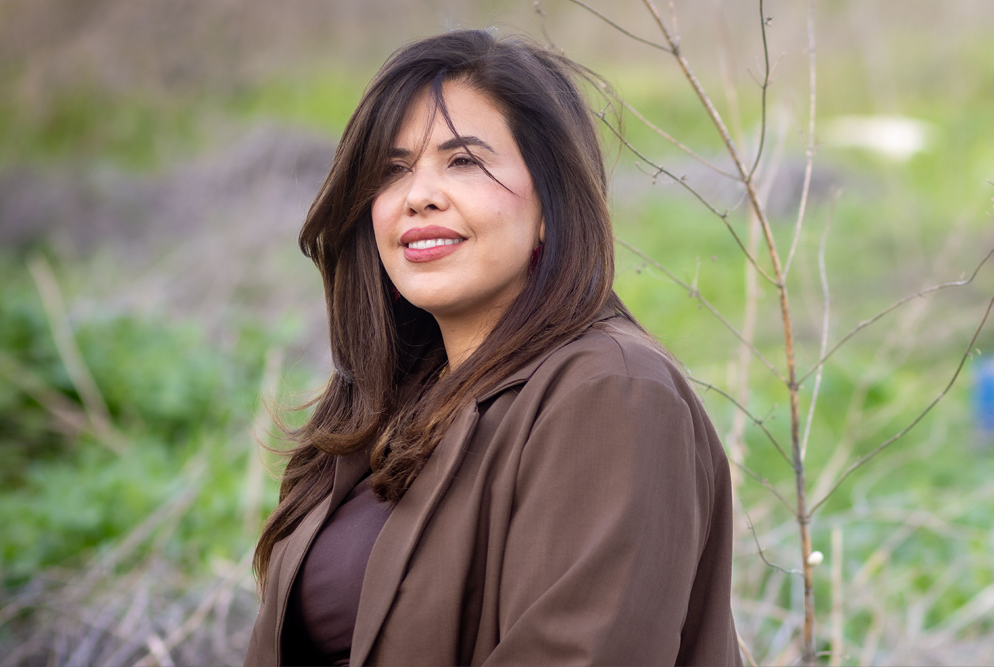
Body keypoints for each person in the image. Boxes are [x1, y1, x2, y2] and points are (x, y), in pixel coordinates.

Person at [244, 29, 740, 666]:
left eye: (464, 161)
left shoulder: (611, 391)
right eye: (393, 171)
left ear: (548, 205)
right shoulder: (388, 406)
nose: (418, 195)